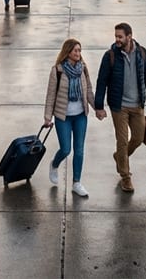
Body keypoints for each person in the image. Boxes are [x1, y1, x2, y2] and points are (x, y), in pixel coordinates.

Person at [93, 22, 146, 193]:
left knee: (138, 137)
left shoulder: (142, 53)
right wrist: (99, 106)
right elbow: (101, 82)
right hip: (119, 106)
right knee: (122, 141)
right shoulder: (110, 56)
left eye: (120, 36)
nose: (117, 40)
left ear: (129, 36)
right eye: (116, 37)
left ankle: (119, 157)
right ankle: (125, 176)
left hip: (138, 104)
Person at [44, 38, 95, 198]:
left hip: (80, 116)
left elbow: (88, 91)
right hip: (63, 117)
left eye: (80, 50)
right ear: (68, 52)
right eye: (75, 51)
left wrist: (97, 108)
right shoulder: (57, 71)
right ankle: (54, 164)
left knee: (79, 150)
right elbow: (50, 95)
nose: (78, 54)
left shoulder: (83, 69)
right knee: (66, 149)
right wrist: (47, 117)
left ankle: (76, 183)